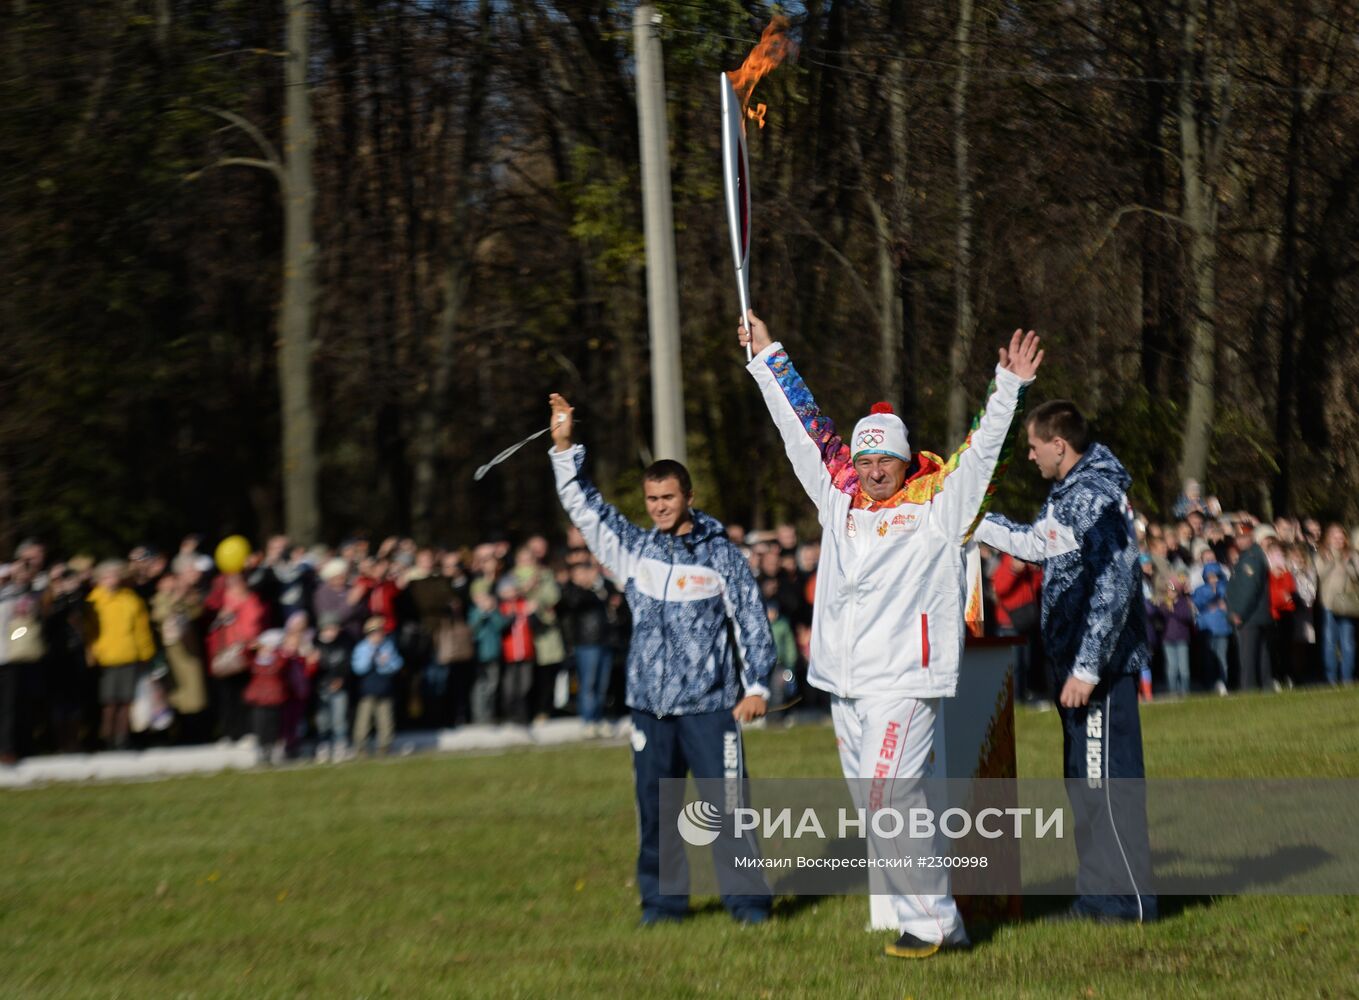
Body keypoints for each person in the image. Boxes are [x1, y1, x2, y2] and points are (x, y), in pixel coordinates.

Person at [739, 311, 1041, 957]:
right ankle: (932, 921)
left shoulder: (936, 506)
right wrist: (768, 358)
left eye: (887, 459)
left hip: (903, 681)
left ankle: (934, 923)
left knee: (887, 797)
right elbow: (803, 432)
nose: (875, 470)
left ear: (905, 460)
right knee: (876, 810)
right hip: (842, 683)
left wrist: (1007, 390)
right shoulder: (838, 500)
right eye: (867, 458)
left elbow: (983, 454)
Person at [548, 391, 775, 927]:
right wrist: (563, 448)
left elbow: (750, 620)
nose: (659, 507)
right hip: (650, 706)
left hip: (711, 706)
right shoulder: (633, 549)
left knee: (727, 812)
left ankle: (746, 903)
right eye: (652, 499)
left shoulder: (721, 554)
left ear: (688, 496)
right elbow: (585, 506)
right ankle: (662, 906)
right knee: (657, 812)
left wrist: (758, 686)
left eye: (668, 498)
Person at [974, 399, 1157, 925]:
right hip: (1078, 670)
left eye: (1033, 446)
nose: (1030, 456)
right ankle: (1099, 897)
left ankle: (1126, 902)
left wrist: (1087, 668)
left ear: (1059, 444)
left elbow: (1117, 582)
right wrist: (975, 520)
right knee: (1084, 783)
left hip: (1095, 674)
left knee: (1105, 784)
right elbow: (1035, 544)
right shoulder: (1072, 495)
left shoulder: (1096, 496)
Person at [86, 560, 156, 750]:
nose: (112, 580)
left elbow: (141, 630)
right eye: (107, 576)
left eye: (115, 575)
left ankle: (122, 739)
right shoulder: (93, 601)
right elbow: (89, 631)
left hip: (128, 656)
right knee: (109, 702)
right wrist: (92, 653)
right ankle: (107, 739)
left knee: (126, 701)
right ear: (100, 579)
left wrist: (146, 653)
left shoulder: (131, 600)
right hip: (106, 659)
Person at [1226, 526, 1274, 691]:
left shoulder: (1251, 558)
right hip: (1256, 614)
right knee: (1261, 655)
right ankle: (1266, 687)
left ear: (1251, 537)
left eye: (1244, 536)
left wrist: (1239, 612)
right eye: (1238, 537)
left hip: (1250, 615)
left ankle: (1250, 689)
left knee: (1248, 657)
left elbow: (1249, 589)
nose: (1240, 540)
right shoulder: (1250, 556)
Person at [351, 616, 403, 755]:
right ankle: (361, 746)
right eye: (373, 633)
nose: (376, 636)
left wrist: (385, 663)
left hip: (385, 690)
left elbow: (397, 665)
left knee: (386, 720)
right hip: (367, 691)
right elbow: (358, 668)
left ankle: (385, 746)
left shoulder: (388, 646)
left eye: (379, 632)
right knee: (364, 720)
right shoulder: (362, 648)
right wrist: (370, 657)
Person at [1315, 524, 1359, 685]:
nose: (1338, 540)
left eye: (1341, 537)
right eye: (1335, 537)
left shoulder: (1352, 554)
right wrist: (1332, 562)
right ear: (1328, 538)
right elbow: (1320, 574)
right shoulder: (1322, 554)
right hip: (1328, 604)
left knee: (1347, 641)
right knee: (1329, 642)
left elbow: (1357, 576)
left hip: (1347, 604)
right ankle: (1330, 678)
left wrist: (1348, 565)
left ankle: (1347, 678)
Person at [1192, 565, 1232, 695]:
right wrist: (1213, 600)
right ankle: (1210, 684)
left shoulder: (1225, 587)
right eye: (1209, 576)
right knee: (1208, 658)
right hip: (1207, 628)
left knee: (1222, 657)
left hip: (1222, 628)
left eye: (1214, 576)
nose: (1212, 579)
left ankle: (1223, 683)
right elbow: (1197, 603)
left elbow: (1230, 603)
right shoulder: (1200, 590)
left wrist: (1224, 605)